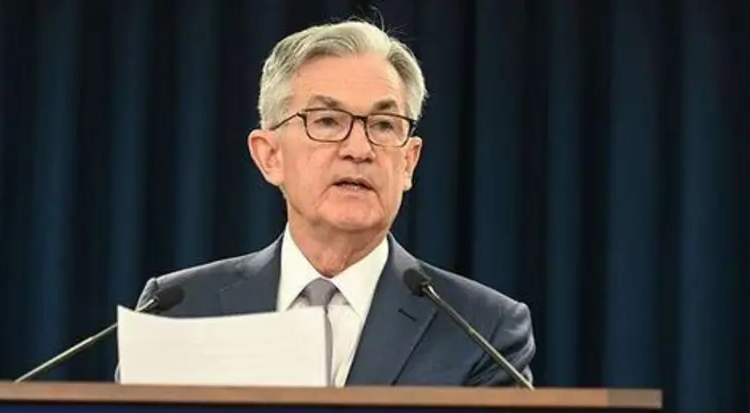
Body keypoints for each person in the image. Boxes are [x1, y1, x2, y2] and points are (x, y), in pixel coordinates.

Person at [132, 19, 535, 387]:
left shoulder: (482, 330)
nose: (359, 149)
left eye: (383, 125)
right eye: (327, 121)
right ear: (269, 156)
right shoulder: (177, 311)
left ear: (409, 162)